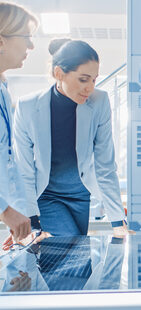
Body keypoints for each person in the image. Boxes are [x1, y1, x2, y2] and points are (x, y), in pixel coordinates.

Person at [13, 38, 131, 236]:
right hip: (48, 196)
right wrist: (32, 219)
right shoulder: (28, 107)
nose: (90, 87)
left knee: (80, 261)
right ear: (59, 73)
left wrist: (117, 221)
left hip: (82, 196)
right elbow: (24, 170)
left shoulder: (99, 102)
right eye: (83, 79)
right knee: (70, 245)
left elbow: (105, 166)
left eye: (94, 80)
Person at [0, 2, 38, 243]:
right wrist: (6, 212)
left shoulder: (4, 90)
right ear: (1, 41)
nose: (31, 46)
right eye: (26, 37)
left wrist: (17, 216)